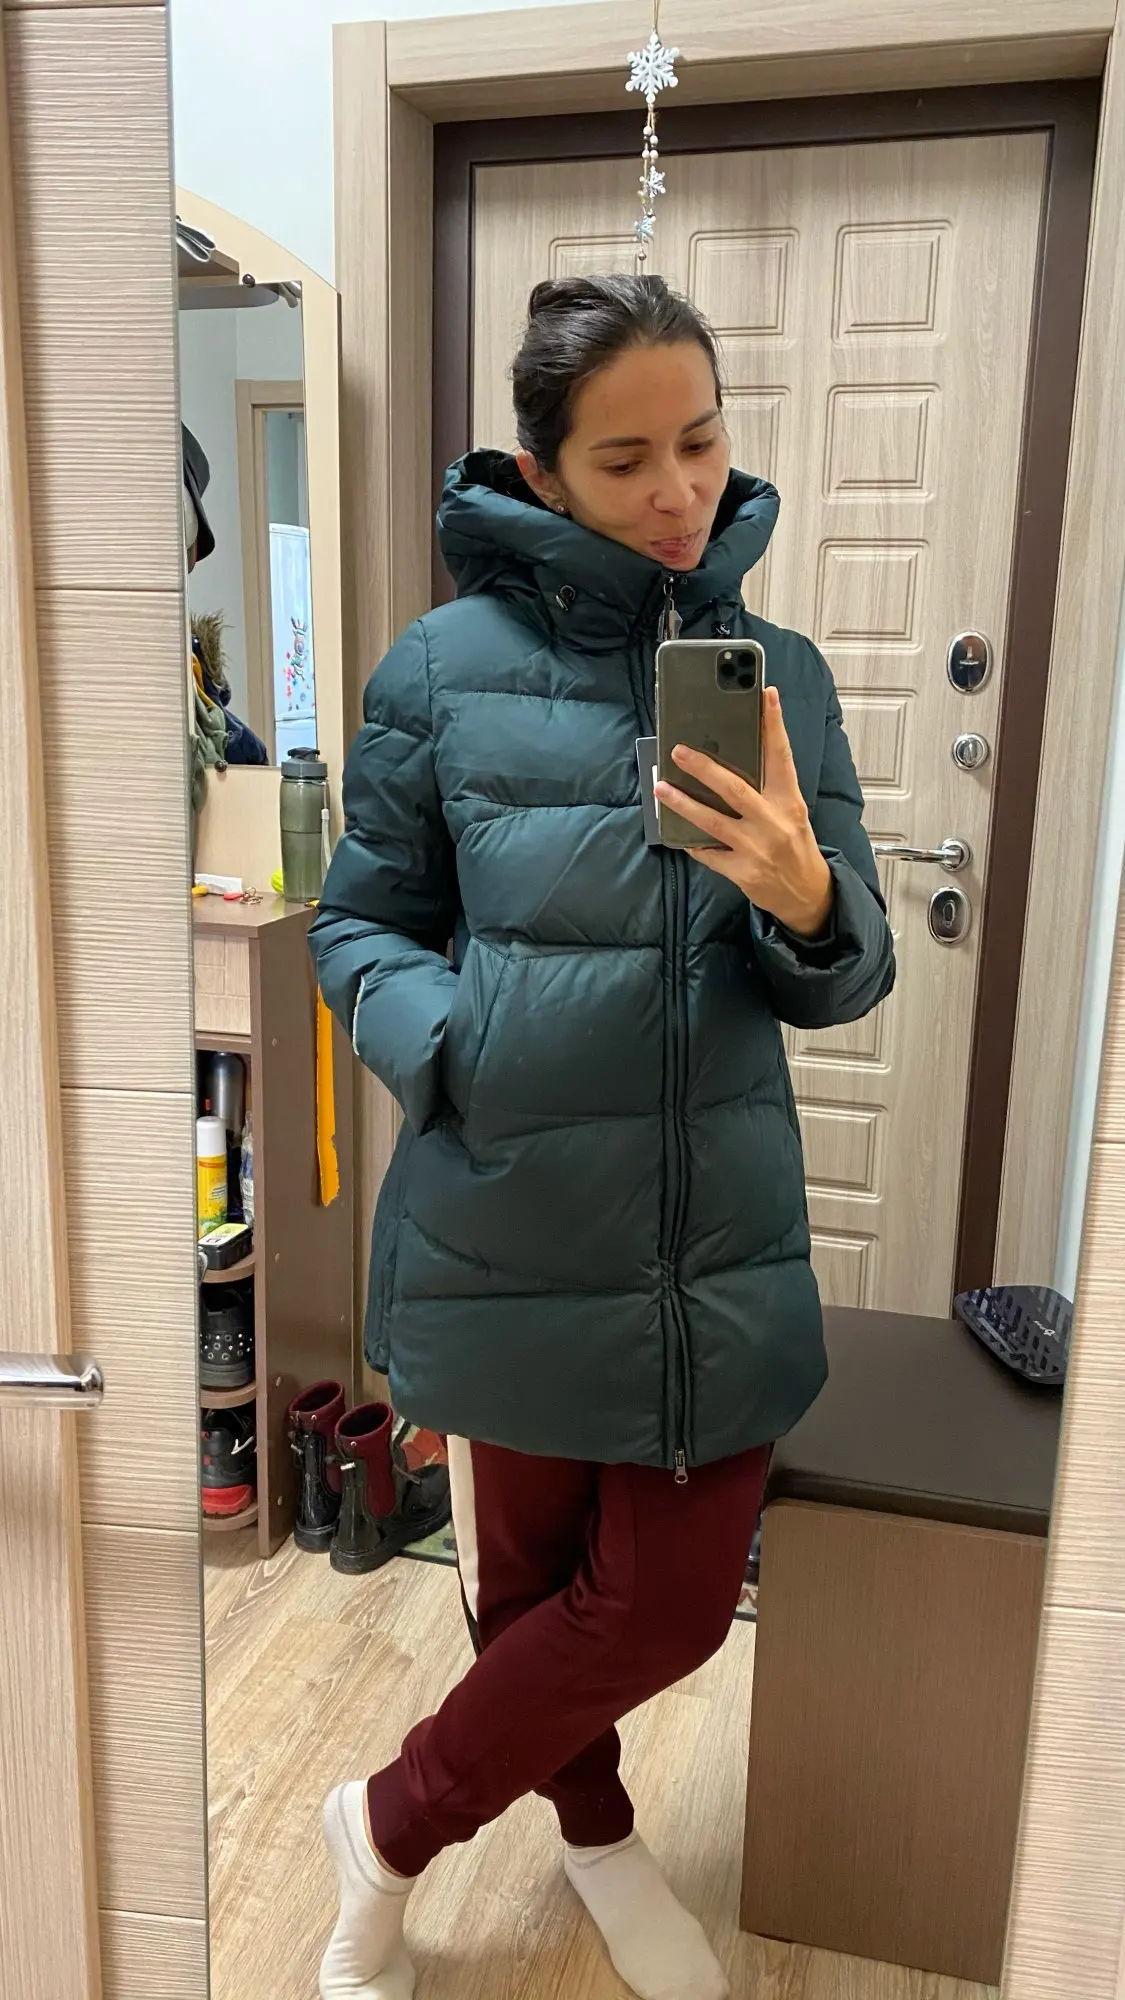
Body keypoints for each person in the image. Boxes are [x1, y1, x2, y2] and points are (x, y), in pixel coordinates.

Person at [310, 273, 895, 2000]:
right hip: (506, 1219)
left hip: (714, 1243)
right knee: (528, 1593)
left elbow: (850, 968)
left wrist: (806, 898)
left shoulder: (779, 679)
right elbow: (360, 925)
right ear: (540, 474)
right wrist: (460, 1044)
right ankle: (596, 1828)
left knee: (666, 1605)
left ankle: (384, 1824)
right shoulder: (440, 673)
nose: (679, 492)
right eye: (626, 460)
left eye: (701, 442)